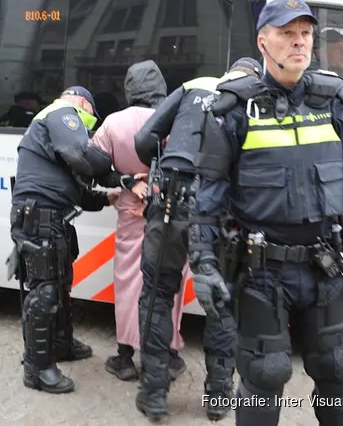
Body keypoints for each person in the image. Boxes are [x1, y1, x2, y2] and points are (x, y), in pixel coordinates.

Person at [189, 0, 343, 426]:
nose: (298, 42)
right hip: (263, 270)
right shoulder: (233, 109)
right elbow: (208, 194)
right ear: (263, 42)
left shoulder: (335, 102)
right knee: (264, 374)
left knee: (339, 368)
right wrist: (203, 263)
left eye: (305, 34)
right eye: (286, 34)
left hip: (326, 265)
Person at [132, 57, 262, 422]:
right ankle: (219, 398)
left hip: (171, 197)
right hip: (220, 209)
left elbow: (145, 139)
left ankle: (154, 394)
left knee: (157, 295)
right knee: (221, 300)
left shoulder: (196, 85)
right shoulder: (258, 97)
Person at [9, 86, 125, 394]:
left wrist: (111, 196)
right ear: (84, 104)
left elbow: (79, 189)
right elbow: (81, 155)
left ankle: (60, 344)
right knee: (44, 293)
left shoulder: (55, 137)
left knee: (60, 285)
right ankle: (36, 367)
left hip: (51, 216)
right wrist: (113, 172)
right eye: (91, 118)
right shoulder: (62, 112)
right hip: (39, 215)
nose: (89, 126)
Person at [91, 60, 189, 381]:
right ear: (160, 86)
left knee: (129, 280)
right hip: (171, 211)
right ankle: (169, 353)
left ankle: (125, 356)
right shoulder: (178, 118)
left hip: (131, 211)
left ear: (130, 89)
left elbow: (93, 164)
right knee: (169, 281)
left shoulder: (113, 123)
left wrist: (128, 180)